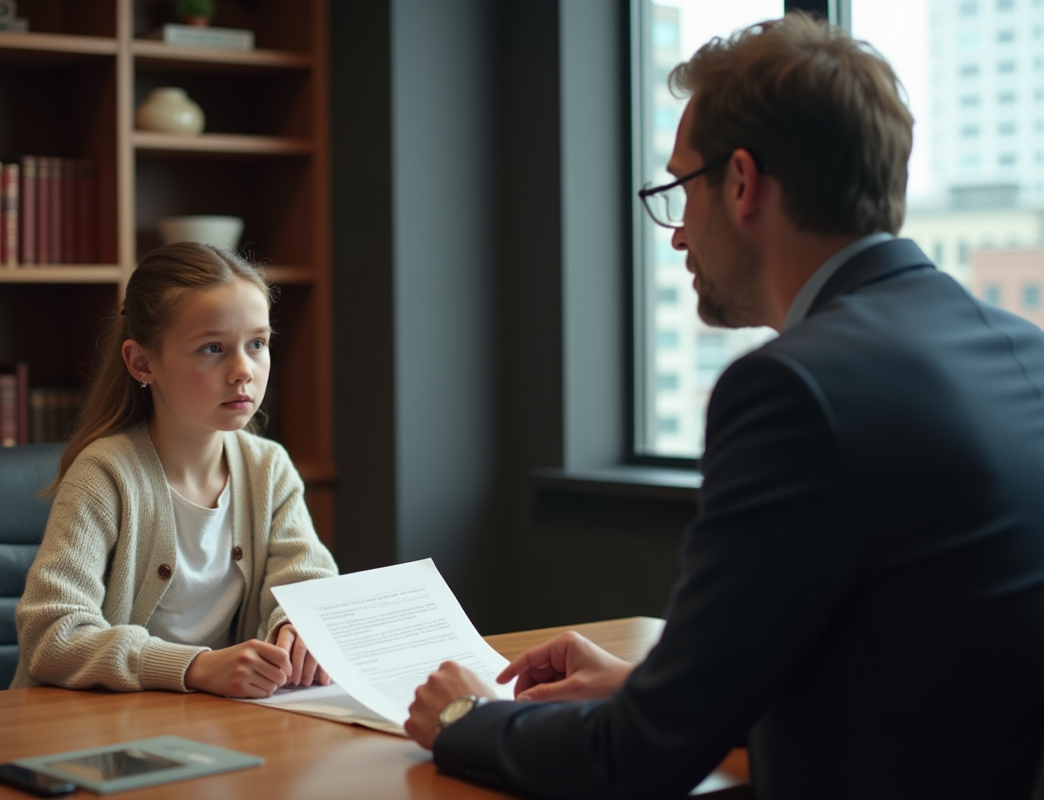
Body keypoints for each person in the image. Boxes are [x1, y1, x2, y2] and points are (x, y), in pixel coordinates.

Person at [405, 12, 1044, 799]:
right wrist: (653, 687)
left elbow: (635, 760)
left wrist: (466, 717)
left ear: (742, 183)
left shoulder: (793, 388)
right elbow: (910, 678)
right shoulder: (1025, 351)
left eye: (680, 188)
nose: (676, 236)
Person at [11, 242, 338, 699]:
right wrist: (194, 667)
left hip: (224, 721)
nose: (243, 371)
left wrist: (297, 625)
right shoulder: (105, 475)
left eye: (257, 344)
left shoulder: (269, 468)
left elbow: (307, 581)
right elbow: (51, 634)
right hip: (103, 726)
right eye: (212, 348)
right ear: (142, 362)